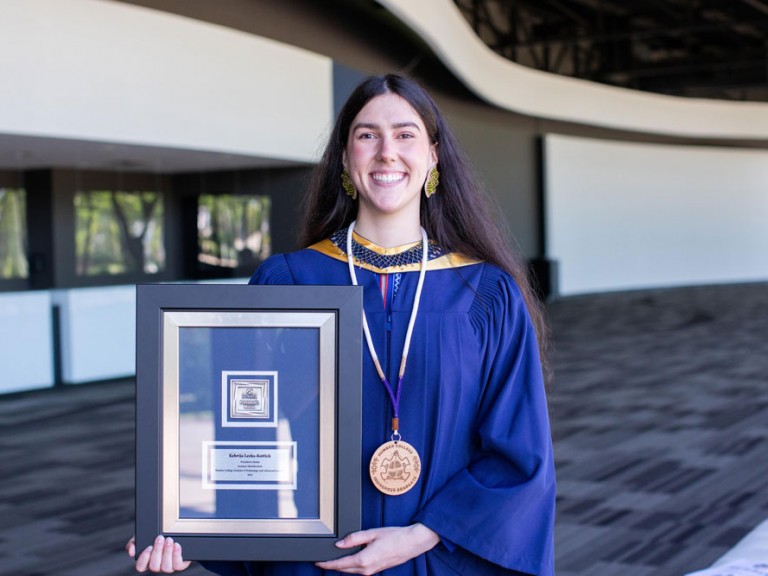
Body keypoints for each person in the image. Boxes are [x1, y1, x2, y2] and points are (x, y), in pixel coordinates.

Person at [128, 73, 555, 575]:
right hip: (314, 562)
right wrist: (195, 532)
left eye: (405, 134)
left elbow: (519, 449)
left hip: (438, 557)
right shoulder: (287, 282)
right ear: (346, 160)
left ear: (433, 156)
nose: (386, 152)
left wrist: (418, 536)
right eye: (367, 135)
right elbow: (244, 433)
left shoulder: (484, 294)